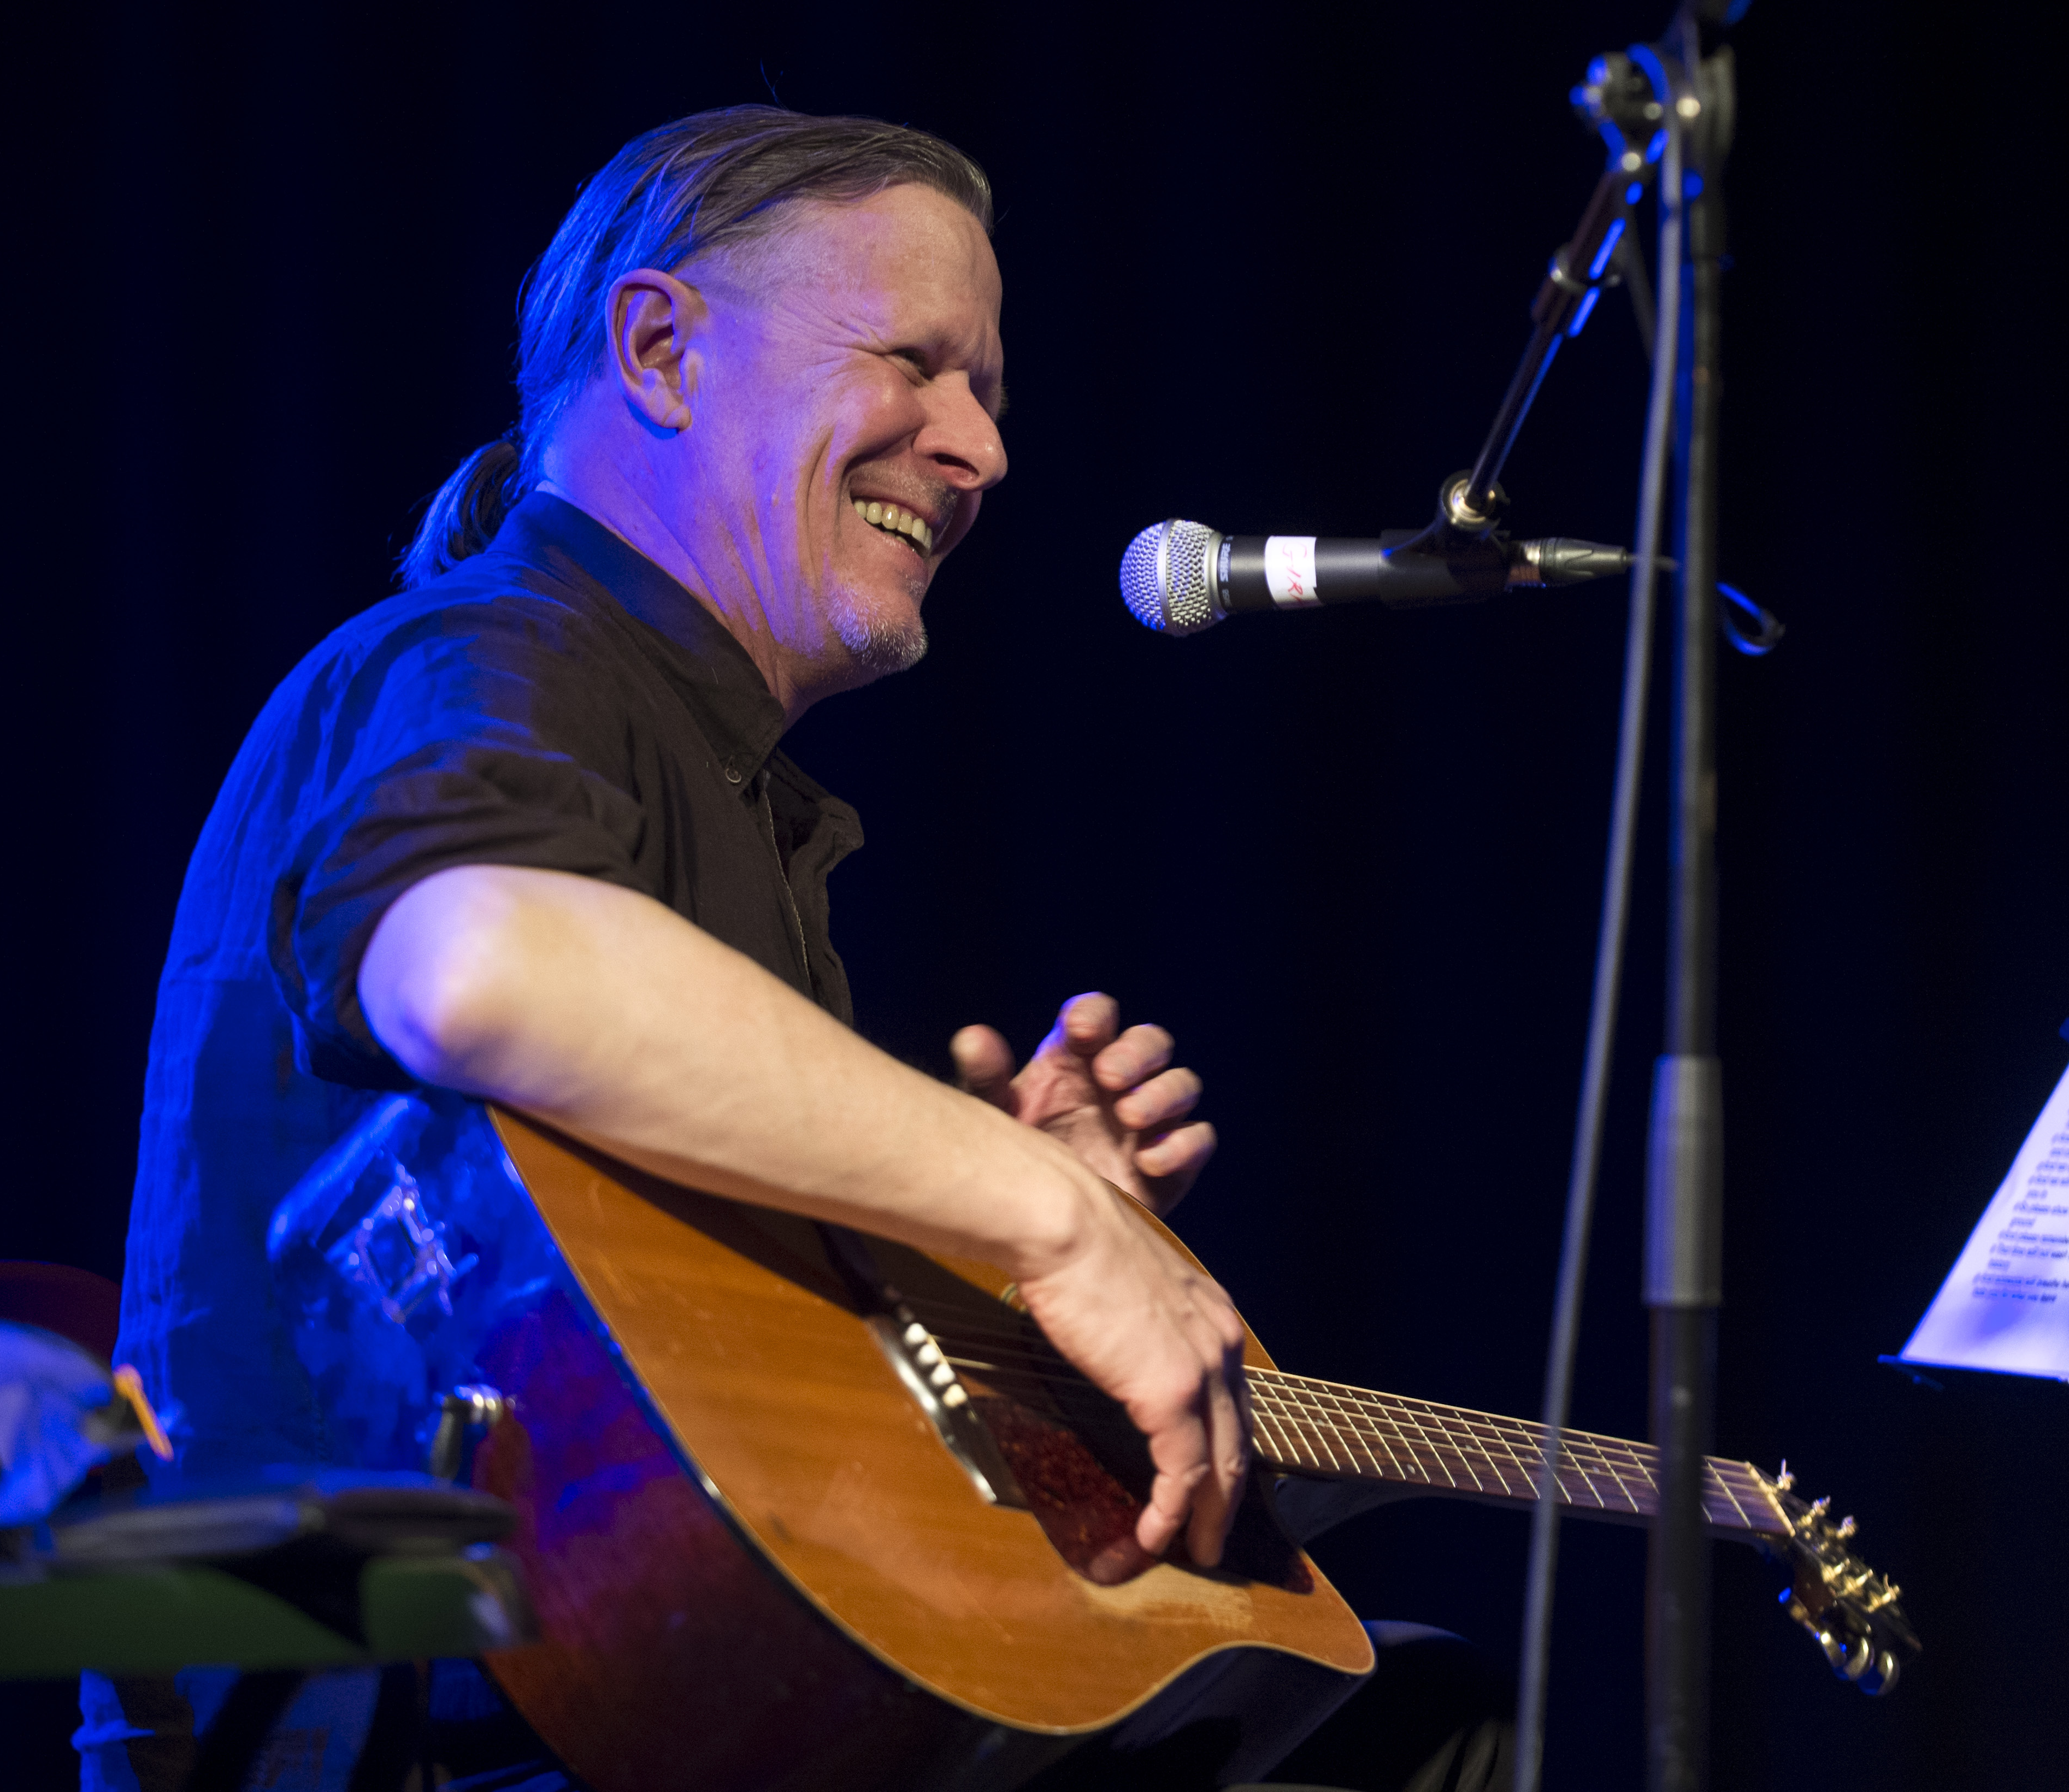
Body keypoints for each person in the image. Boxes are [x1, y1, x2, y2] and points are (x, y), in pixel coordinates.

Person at [84, 107, 1508, 1792]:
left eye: (992, 394)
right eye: (919, 361)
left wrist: (971, 1250)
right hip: (407, 1738)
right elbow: (470, 963)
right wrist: (1044, 1224)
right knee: (1403, 1730)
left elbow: (705, 1420)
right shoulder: (501, 653)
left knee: (1377, 1707)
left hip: (592, 1718)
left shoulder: (699, 776)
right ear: (664, 347)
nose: (981, 452)